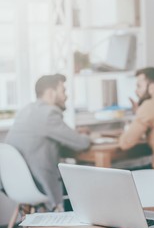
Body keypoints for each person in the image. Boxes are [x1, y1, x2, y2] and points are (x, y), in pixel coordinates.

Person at [5, 73, 91, 210]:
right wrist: (86, 135)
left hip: (15, 185)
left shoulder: (26, 110)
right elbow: (81, 144)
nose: (66, 96)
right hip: (40, 184)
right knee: (87, 184)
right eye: (63, 90)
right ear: (51, 93)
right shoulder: (48, 114)